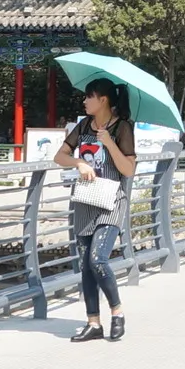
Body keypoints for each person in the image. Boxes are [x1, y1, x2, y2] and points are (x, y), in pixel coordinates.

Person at [62, 78, 136, 342]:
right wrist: (79, 162)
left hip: (112, 201)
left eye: (88, 97)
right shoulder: (83, 125)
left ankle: (117, 311)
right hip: (85, 201)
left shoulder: (122, 127)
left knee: (97, 259)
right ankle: (93, 322)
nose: (84, 101)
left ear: (102, 99)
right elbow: (60, 156)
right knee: (85, 265)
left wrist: (109, 143)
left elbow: (128, 170)